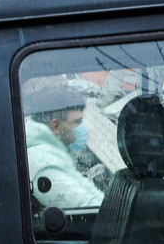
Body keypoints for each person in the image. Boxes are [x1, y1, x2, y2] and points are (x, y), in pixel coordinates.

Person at [22, 78, 104, 210]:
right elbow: (85, 207)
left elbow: (89, 190)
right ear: (55, 126)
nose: (82, 127)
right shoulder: (43, 164)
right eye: (77, 121)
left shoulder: (52, 150)